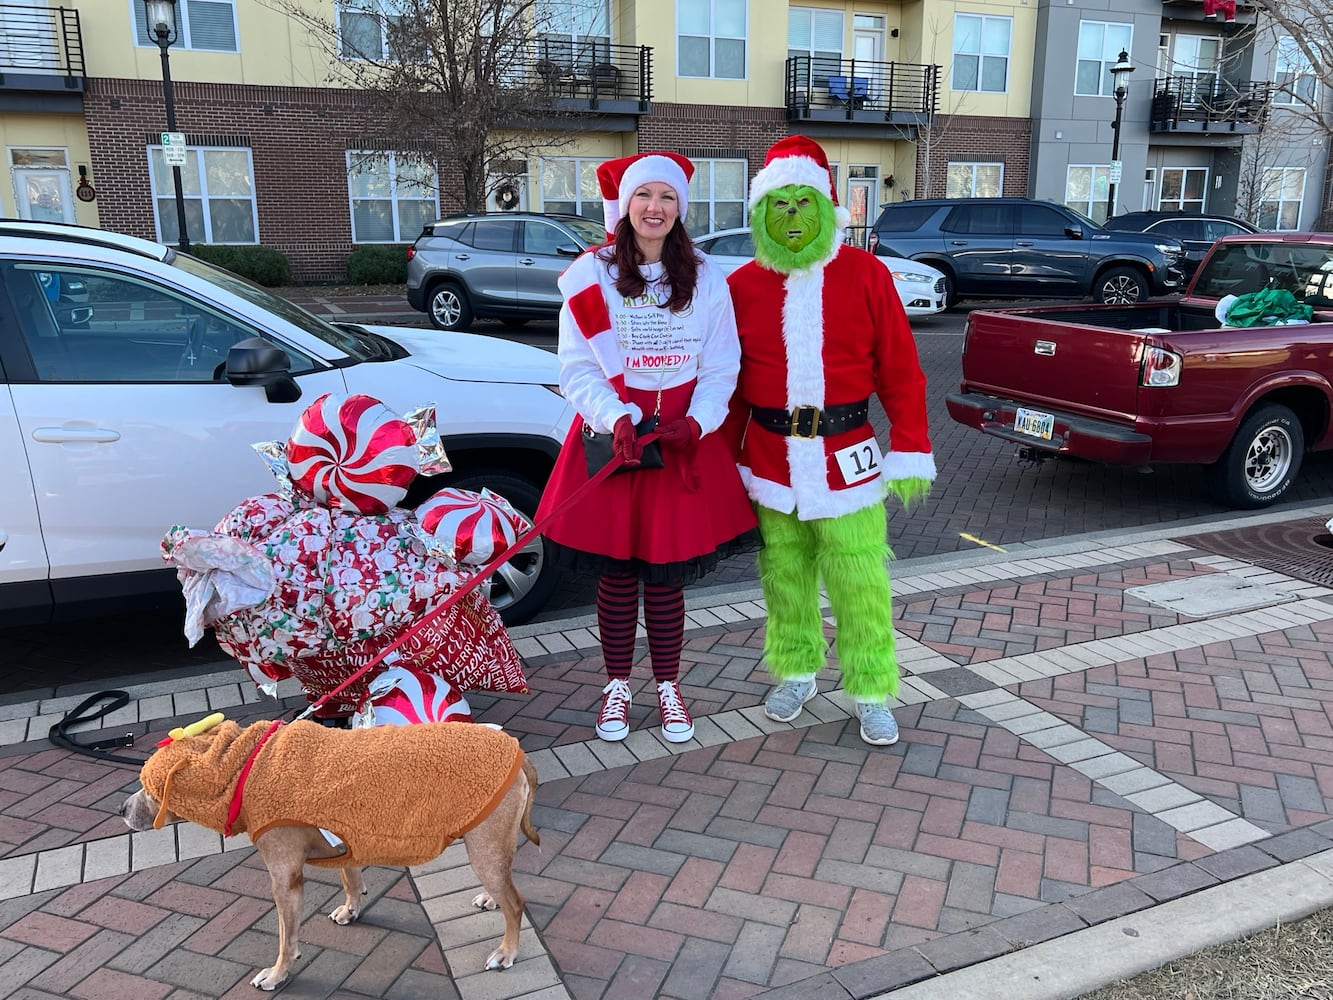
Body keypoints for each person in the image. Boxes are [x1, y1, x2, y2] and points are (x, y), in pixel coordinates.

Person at [536, 151, 759, 744]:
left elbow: (722, 365)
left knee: (665, 576)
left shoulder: (707, 277)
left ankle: (667, 686)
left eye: (665, 197)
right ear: (625, 205)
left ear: (680, 207)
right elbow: (576, 368)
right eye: (643, 196)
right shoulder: (593, 276)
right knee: (617, 573)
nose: (654, 207)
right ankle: (615, 684)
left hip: (684, 443)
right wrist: (615, 419)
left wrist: (702, 422)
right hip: (619, 442)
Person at [724, 135, 936, 747]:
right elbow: (730, 387)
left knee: (858, 577)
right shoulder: (742, 286)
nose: (793, 217)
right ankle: (795, 670)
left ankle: (870, 686)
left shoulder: (866, 274)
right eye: (780, 204)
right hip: (768, 461)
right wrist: (719, 462)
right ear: (762, 212)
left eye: (804, 203)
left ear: (829, 209)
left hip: (848, 459)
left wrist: (912, 442)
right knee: (783, 574)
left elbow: (901, 370)